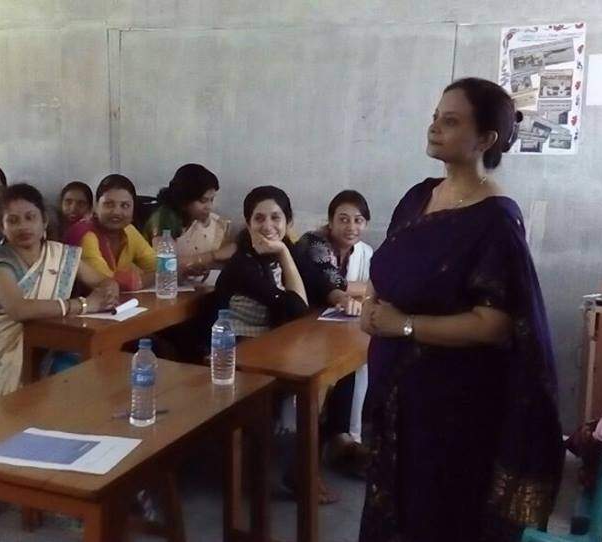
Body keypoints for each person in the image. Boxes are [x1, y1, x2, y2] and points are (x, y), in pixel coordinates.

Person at [359, 77, 563, 542]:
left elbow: (494, 325)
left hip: (451, 407)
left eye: (451, 121)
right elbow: (387, 262)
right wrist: (371, 304)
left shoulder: (495, 219)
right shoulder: (419, 195)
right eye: (435, 117)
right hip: (397, 398)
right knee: (391, 511)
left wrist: (404, 325)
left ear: (485, 139)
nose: (435, 128)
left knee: (438, 516)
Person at [0, 183, 118, 402]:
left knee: (104, 364)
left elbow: (102, 280)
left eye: (30, 217)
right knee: (74, 373)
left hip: (50, 345)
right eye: (13, 220)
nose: (23, 226)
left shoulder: (59, 254)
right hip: (0, 358)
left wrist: (110, 289)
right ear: (2, 226)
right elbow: (19, 309)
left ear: (44, 221)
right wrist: (84, 305)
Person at [294, 189, 374, 472]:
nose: (351, 227)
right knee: (335, 367)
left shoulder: (365, 253)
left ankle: (344, 439)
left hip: (335, 326)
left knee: (357, 360)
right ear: (330, 222)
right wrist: (346, 296)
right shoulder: (313, 243)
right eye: (343, 219)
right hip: (300, 327)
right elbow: (330, 283)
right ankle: (316, 455)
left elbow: (374, 287)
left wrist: (351, 295)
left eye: (358, 220)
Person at [214, 185, 308, 337]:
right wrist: (283, 252)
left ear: (289, 222)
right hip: (236, 347)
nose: (267, 226)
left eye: (275, 217)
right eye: (259, 218)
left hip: (273, 342)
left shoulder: (293, 252)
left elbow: (318, 288)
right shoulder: (242, 264)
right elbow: (297, 310)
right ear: (249, 225)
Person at [65, 174, 156, 292]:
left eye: (125, 205)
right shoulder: (85, 234)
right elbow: (107, 284)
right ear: (96, 206)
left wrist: (142, 280)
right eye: (109, 204)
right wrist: (148, 279)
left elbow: (161, 267)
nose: (117, 212)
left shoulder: (129, 230)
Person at [144, 163, 235, 274]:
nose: (209, 207)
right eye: (203, 201)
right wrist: (214, 255)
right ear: (184, 200)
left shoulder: (203, 219)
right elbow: (167, 265)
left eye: (212, 200)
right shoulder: (164, 218)